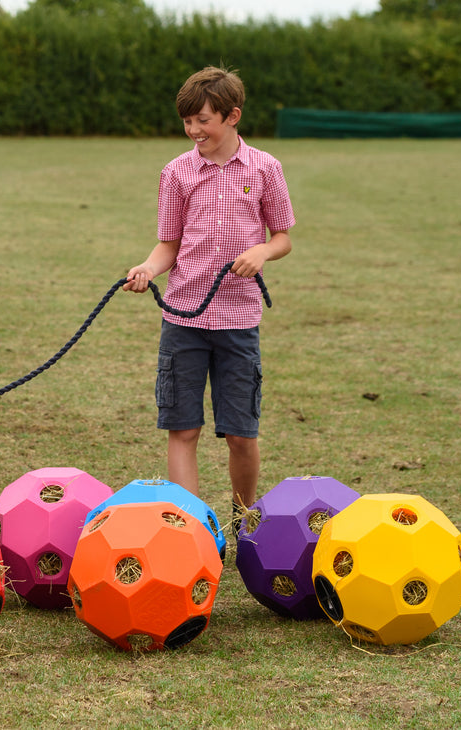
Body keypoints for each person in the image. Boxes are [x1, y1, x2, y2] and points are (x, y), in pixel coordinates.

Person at [123, 65, 294, 526]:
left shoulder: (265, 169)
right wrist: (146, 268)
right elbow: (169, 245)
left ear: (232, 115)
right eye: (187, 121)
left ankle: (242, 522)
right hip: (183, 321)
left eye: (203, 120)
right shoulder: (176, 172)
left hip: (239, 322)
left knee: (241, 434)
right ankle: (191, 530)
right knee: (183, 429)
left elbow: (283, 237)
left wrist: (261, 250)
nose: (193, 130)